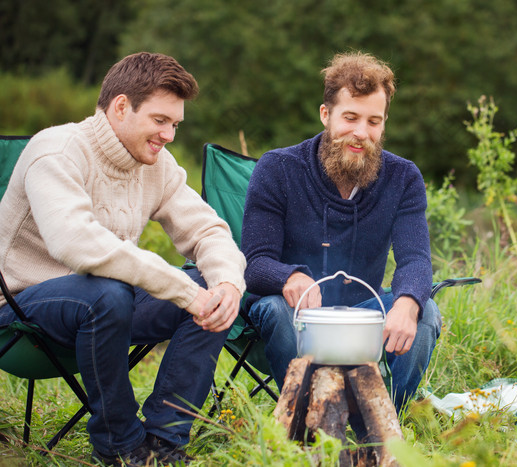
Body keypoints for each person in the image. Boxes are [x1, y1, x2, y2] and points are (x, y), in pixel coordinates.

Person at [0, 52, 246, 465]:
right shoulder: (56, 151)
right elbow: (75, 243)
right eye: (160, 120)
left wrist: (226, 284)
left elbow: (208, 230)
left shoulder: (156, 165)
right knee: (111, 293)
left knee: (212, 294)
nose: (169, 134)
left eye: (175, 124)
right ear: (120, 107)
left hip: (104, 309)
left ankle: (164, 442)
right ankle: (120, 447)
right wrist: (182, 290)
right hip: (21, 312)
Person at [241, 51, 440, 411]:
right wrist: (289, 277)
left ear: (384, 124)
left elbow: (416, 260)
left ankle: (382, 419)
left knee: (426, 311)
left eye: (373, 121)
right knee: (273, 307)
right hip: (292, 317)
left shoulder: (403, 177)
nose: (361, 133)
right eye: (350, 117)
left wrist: (408, 302)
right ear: (325, 114)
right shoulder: (278, 168)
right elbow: (255, 264)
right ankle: (305, 414)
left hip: (360, 318)